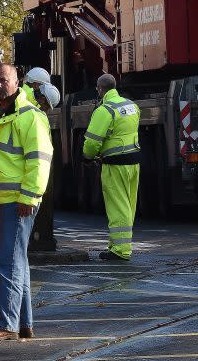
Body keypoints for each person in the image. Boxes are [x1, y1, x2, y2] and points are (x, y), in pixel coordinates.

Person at [0, 64, 52, 340]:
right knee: (17, 260)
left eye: (2, 81)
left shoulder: (30, 116)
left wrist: (29, 196)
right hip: (1, 198)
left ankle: (5, 324)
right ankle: (24, 324)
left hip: (17, 200)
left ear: (17, 82)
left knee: (9, 261)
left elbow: (39, 160)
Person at [83, 74, 140, 261]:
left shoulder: (104, 110)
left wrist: (88, 157)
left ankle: (121, 249)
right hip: (134, 162)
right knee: (129, 205)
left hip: (115, 164)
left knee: (118, 205)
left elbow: (92, 143)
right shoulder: (132, 106)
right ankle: (118, 244)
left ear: (100, 89)